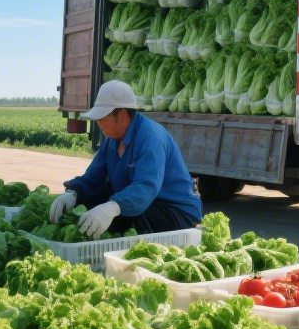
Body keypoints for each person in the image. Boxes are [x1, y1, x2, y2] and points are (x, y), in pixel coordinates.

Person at [49, 80, 202, 236]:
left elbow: (146, 187)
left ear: (121, 114)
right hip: (147, 204)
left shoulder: (151, 138)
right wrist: (73, 193)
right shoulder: (111, 139)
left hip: (176, 213)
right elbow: (93, 177)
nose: (98, 122)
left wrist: (113, 207)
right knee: (90, 198)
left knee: (124, 211)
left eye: (102, 117)